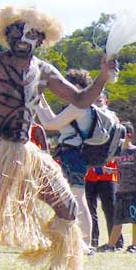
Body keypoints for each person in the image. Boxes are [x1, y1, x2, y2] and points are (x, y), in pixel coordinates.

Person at [0, 7, 119, 270]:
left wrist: (102, 77)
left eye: (31, 34)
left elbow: (80, 99)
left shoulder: (44, 71)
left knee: (67, 207)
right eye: (17, 31)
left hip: (25, 152)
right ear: (7, 35)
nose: (23, 38)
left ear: (41, 39)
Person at [34, 69, 97, 249]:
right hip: (76, 154)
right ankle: (83, 242)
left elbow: (49, 124)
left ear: (76, 86)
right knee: (77, 197)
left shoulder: (78, 107)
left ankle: (85, 243)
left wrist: (35, 99)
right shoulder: (84, 106)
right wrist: (39, 97)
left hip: (73, 155)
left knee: (77, 197)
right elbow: (53, 120)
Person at [105, 124, 136, 253]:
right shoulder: (117, 153)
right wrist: (110, 170)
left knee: (135, 217)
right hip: (121, 190)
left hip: (135, 190)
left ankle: (135, 246)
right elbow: (121, 170)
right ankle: (111, 245)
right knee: (118, 219)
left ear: (128, 135)